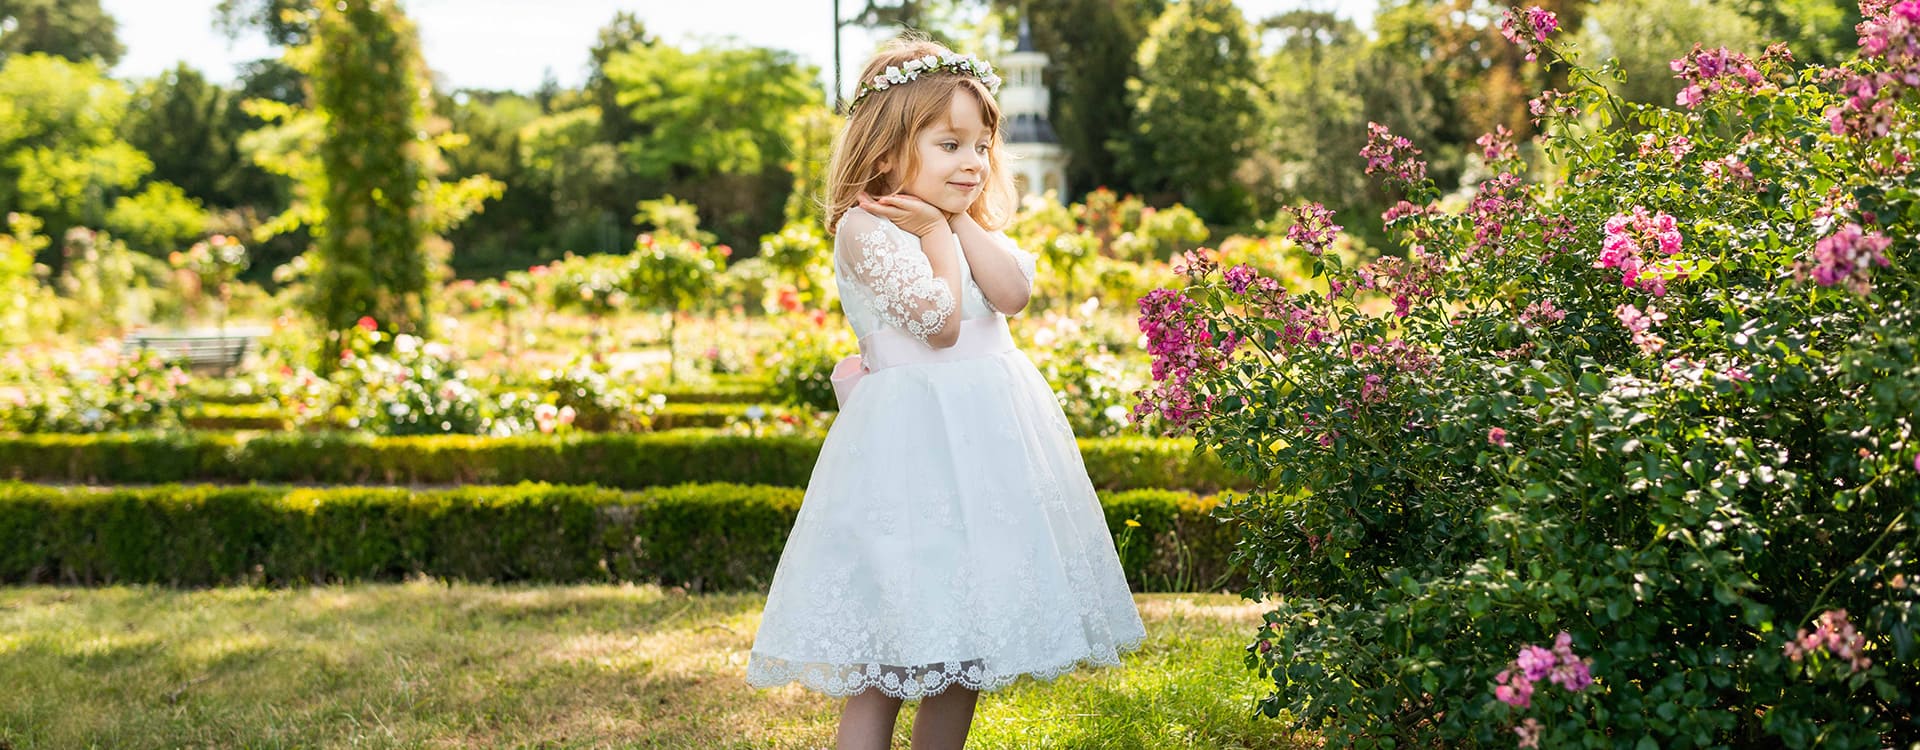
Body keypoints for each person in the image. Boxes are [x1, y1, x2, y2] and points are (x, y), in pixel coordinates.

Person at [744, 36, 1146, 750]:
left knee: (967, 647)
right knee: (890, 656)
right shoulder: (865, 231)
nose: (971, 162)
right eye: (949, 143)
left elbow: (1013, 294)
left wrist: (955, 221)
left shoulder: (968, 224)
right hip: (913, 454)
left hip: (985, 451)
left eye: (981, 145)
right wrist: (933, 232)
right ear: (886, 151)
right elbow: (939, 324)